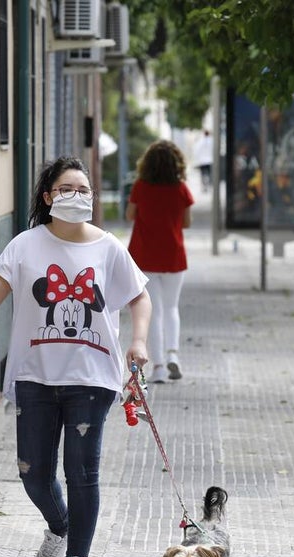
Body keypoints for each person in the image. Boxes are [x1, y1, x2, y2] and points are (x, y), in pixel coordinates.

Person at [0, 156, 151, 557]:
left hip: (92, 378)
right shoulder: (26, 246)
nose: (77, 197)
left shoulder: (108, 248)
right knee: (33, 472)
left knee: (83, 471)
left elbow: (140, 298)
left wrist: (139, 343)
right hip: (35, 376)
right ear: (48, 197)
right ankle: (59, 526)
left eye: (84, 190)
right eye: (67, 189)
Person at [126, 140, 194, 384]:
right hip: (174, 255)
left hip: (144, 256)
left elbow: (129, 215)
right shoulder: (181, 189)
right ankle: (173, 352)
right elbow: (186, 222)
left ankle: (158, 368)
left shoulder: (140, 187)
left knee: (152, 312)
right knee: (172, 308)